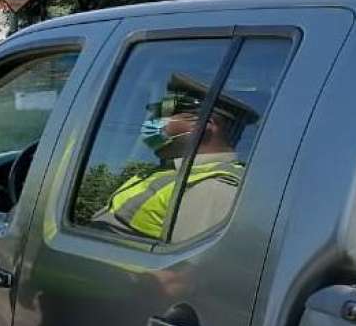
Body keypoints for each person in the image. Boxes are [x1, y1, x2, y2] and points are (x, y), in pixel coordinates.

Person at [96, 74, 257, 240]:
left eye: (163, 116)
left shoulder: (212, 188)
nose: (151, 124)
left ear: (205, 125)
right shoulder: (175, 172)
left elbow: (184, 264)